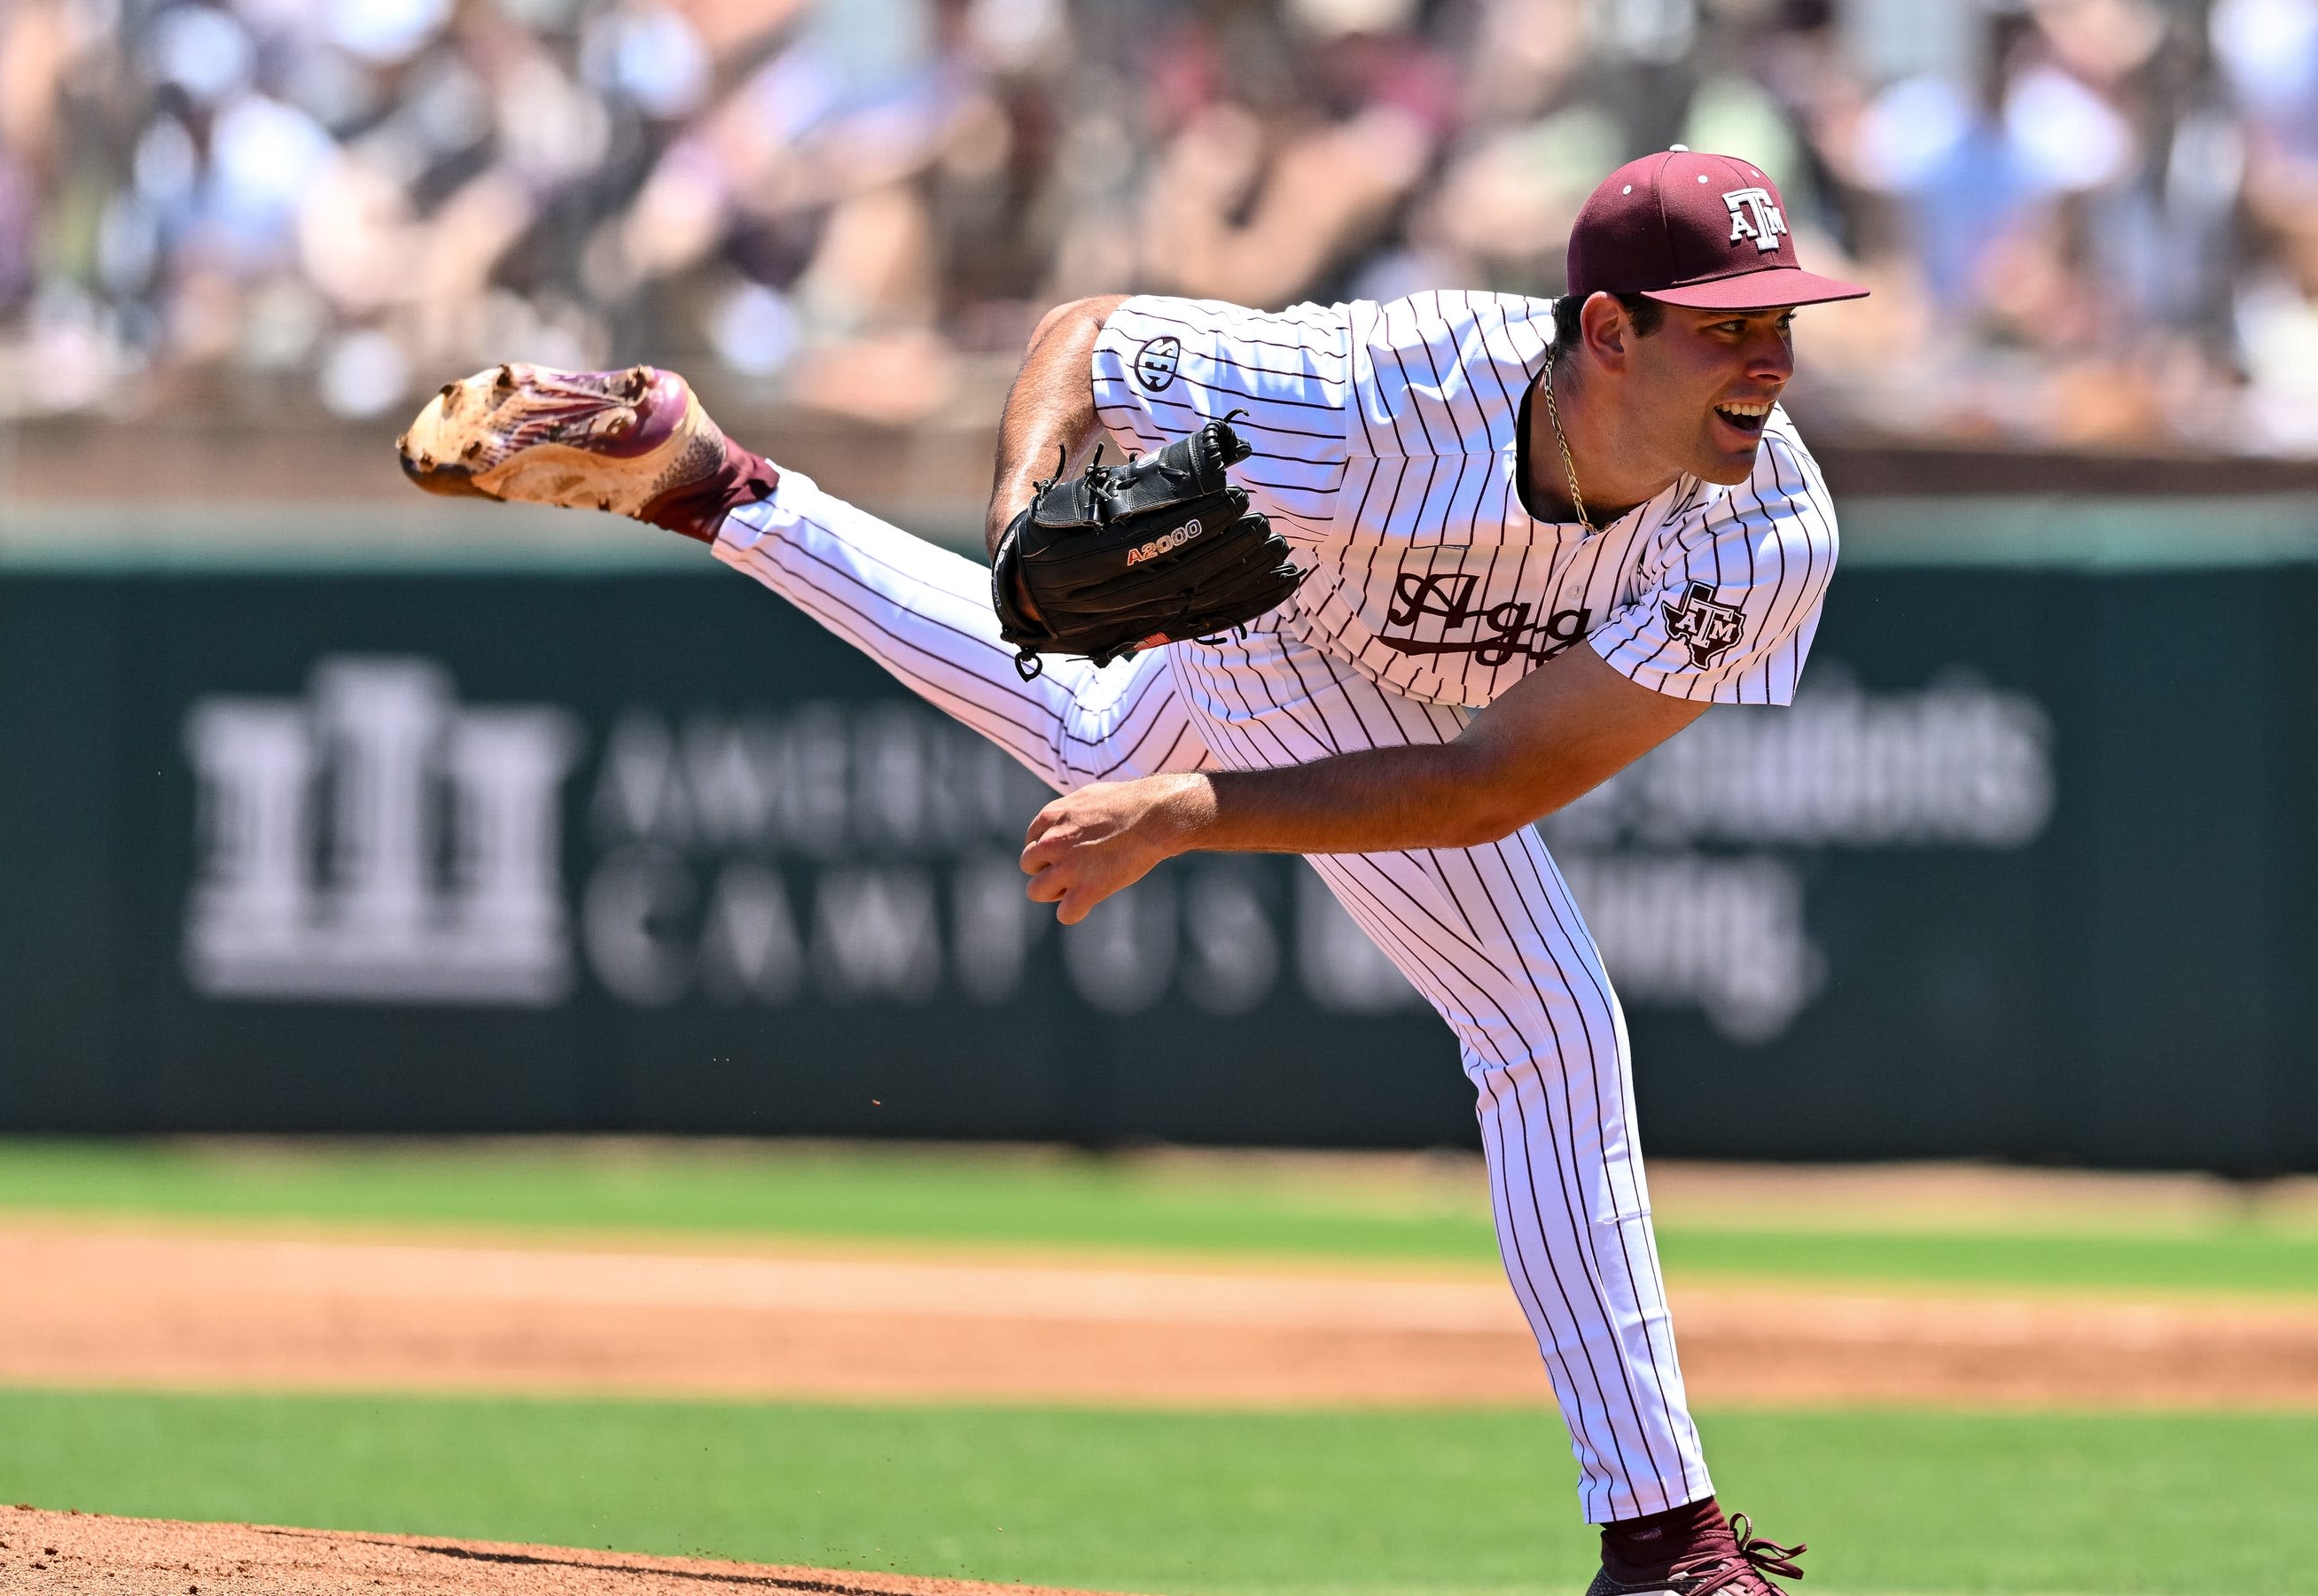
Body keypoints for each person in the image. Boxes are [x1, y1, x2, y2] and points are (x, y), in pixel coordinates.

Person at [397, 147, 1859, 1596]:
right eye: (1729, 323)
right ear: (1608, 331)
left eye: (1782, 320)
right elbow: (1089, 335)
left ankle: (711, 486)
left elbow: (1497, 782)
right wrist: (1019, 516)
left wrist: (1188, 811)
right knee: (1547, 1025)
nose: (1770, 360)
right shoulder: (1381, 389)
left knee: (1098, 745)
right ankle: (1670, 1545)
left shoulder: (1770, 529)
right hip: (1279, 604)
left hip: (1405, 694)